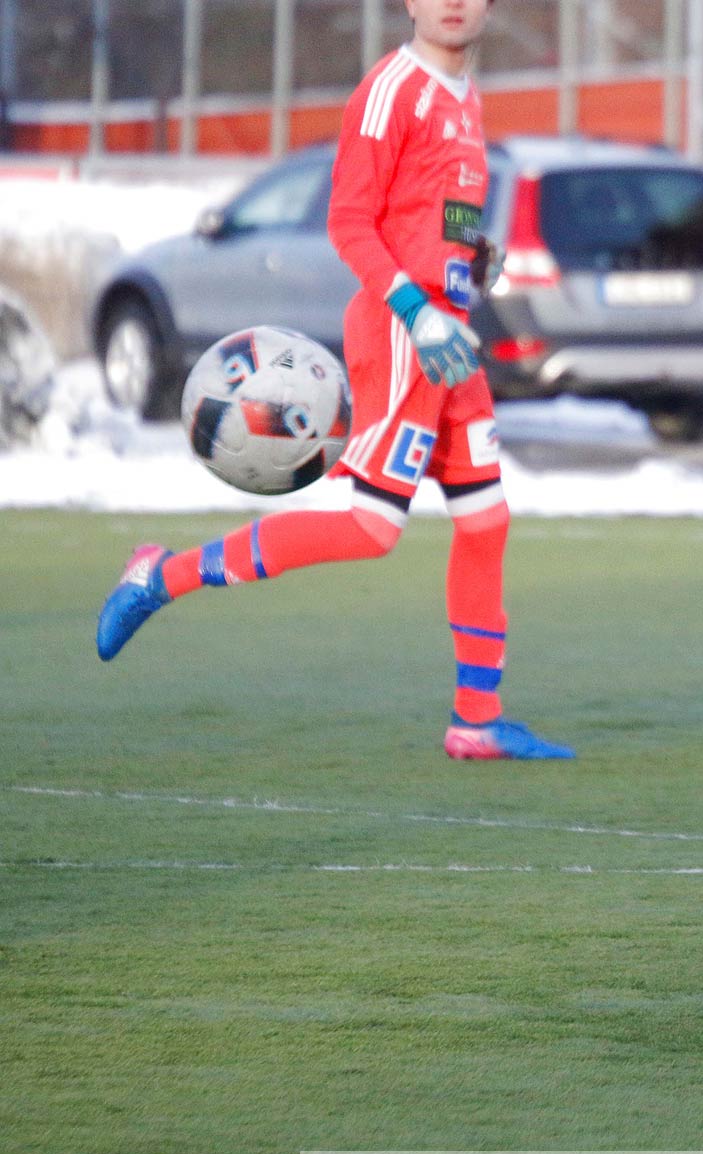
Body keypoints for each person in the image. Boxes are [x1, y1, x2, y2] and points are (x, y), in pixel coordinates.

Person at [95, 0, 572, 762]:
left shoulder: (465, 96)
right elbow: (350, 224)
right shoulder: (389, 91)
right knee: (371, 528)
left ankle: (476, 719)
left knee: (486, 519)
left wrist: (469, 255)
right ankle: (161, 575)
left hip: (454, 335)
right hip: (404, 330)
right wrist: (418, 309)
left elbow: (430, 215)